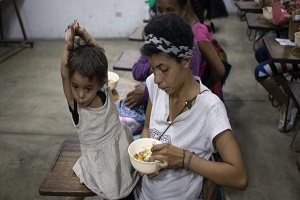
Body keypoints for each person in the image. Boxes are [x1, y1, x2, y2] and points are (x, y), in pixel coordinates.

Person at [130, 13, 248, 200]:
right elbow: (146, 128)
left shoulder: (210, 108)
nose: (157, 78)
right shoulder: (154, 84)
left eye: (164, 69)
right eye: (153, 68)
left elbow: (239, 177)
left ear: (186, 61)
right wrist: (147, 161)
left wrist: (184, 159)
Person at [61, 20, 139, 199]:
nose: (80, 95)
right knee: (111, 191)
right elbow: (64, 73)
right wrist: (68, 45)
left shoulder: (103, 91)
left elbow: (100, 56)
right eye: (75, 87)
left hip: (120, 151)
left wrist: (84, 33)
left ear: (101, 83)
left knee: (126, 187)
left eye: (87, 88)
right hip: (98, 163)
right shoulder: (76, 107)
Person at [116, 0, 202, 136]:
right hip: (155, 105)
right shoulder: (155, 41)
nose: (164, 15)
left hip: (173, 110)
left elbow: (189, 98)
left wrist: (147, 93)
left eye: (170, 10)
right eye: (160, 10)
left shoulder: (189, 49)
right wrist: (156, 69)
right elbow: (137, 71)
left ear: (183, 10)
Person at [254, 2, 300, 132]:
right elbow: (291, 36)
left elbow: (277, 20)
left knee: (261, 72)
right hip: (295, 50)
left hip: (297, 58)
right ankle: (289, 93)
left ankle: (285, 103)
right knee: (261, 53)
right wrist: (293, 17)